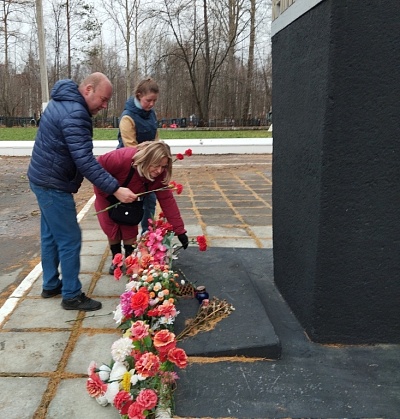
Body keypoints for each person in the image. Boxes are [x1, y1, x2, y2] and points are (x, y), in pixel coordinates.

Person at [27, 72, 137, 312]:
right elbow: (85, 161)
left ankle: (50, 284)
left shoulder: (62, 101)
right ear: (88, 89)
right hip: (53, 183)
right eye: (103, 99)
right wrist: (116, 189)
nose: (105, 105)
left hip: (41, 177)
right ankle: (71, 295)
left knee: (50, 235)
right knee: (69, 238)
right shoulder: (76, 113)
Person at [93, 141, 189, 274]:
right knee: (112, 228)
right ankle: (116, 260)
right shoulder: (121, 158)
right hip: (107, 195)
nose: (159, 170)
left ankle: (129, 260)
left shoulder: (160, 175)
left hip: (131, 199)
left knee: (130, 227)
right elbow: (95, 170)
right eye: (156, 166)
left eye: (163, 166)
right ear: (146, 159)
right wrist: (113, 191)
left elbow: (167, 201)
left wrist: (180, 231)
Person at [116, 78, 160, 234]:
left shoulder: (152, 115)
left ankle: (147, 235)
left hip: (148, 165)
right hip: (129, 166)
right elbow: (130, 148)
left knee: (150, 201)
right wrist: (149, 157)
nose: (152, 104)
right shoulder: (127, 118)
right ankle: (126, 239)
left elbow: (156, 139)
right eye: (148, 100)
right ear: (139, 95)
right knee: (130, 203)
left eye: (154, 100)